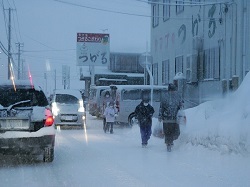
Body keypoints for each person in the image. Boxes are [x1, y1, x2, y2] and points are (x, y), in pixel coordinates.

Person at [158, 83, 183, 152]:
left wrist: (160, 116)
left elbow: (161, 108)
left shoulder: (176, 97)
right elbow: (161, 107)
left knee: (173, 132)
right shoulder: (173, 97)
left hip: (172, 118)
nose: (172, 91)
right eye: (172, 90)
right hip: (168, 118)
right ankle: (169, 144)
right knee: (169, 132)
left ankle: (170, 142)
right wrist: (160, 116)